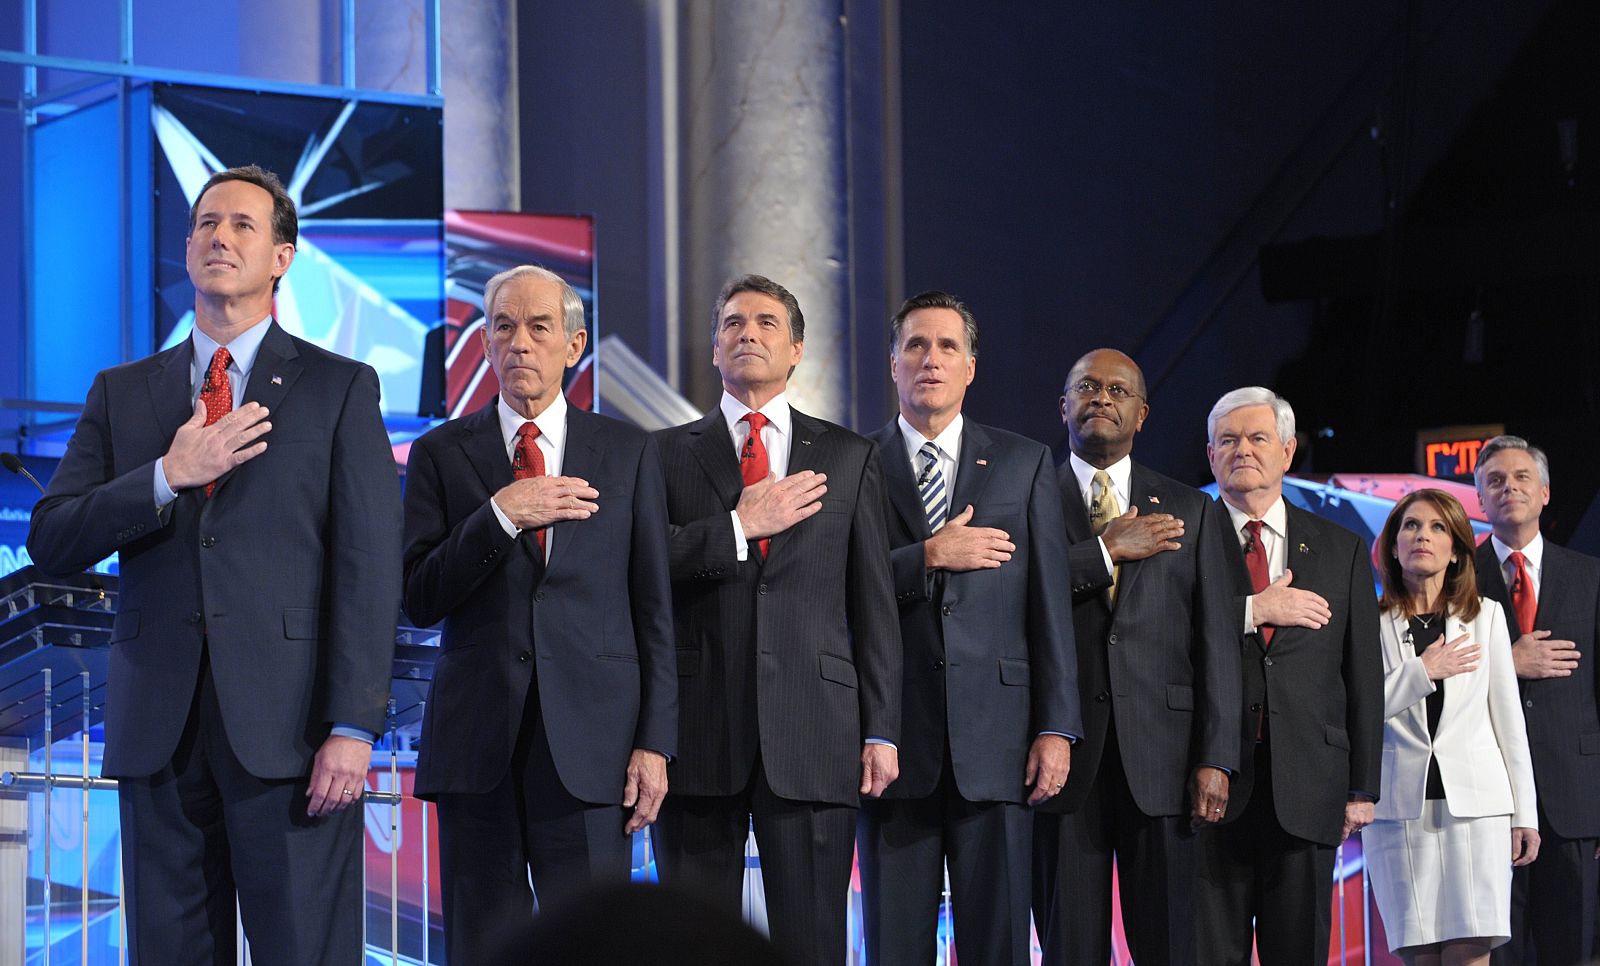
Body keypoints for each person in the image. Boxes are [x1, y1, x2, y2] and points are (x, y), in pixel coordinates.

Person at [27, 165, 401, 965]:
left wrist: (353, 724)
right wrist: (167, 475)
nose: (218, 238)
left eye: (241, 225)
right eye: (204, 224)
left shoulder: (338, 388)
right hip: (157, 730)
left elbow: (368, 566)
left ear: (281, 257)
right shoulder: (121, 392)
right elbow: (52, 536)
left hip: (295, 736)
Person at [400, 265, 676, 963]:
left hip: (593, 751)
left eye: (538, 327)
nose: (519, 342)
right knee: (482, 946)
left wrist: (655, 742)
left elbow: (653, 608)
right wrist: (498, 516)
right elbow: (420, 596)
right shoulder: (439, 454)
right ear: (486, 346)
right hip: (477, 749)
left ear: (574, 343)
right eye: (503, 327)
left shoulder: (628, 451)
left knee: (593, 946)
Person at [652, 274, 902, 966]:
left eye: (766, 323)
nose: (747, 334)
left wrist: (881, 728)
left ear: (795, 350)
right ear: (712, 348)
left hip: (817, 731)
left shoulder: (850, 457)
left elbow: (873, 604)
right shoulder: (663, 453)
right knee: (691, 942)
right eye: (732, 323)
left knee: (813, 942)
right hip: (697, 729)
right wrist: (737, 527)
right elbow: (645, 571)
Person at [856, 291, 1080, 966]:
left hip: (1001, 741)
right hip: (891, 744)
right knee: (895, 945)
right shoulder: (855, 464)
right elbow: (842, 588)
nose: (931, 359)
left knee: (1001, 943)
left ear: (971, 367)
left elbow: (1049, 605)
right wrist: (925, 556)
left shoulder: (1024, 462)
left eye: (947, 346)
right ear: (892, 363)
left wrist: (1056, 727)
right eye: (916, 346)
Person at [1032, 349, 1240, 966]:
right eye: (1087, 387)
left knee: (1171, 943)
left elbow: (1216, 642)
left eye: (1118, 390)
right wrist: (1103, 550)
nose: (1102, 398)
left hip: (1167, 760)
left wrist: (1218, 757)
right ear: (1063, 406)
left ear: (1142, 414)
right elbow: (1015, 596)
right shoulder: (1025, 494)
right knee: (1070, 944)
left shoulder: (1192, 509)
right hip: (1060, 756)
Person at [1193, 386, 1383, 965]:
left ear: (1288, 450)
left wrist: (1362, 786)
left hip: (1309, 784)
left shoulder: (1343, 548)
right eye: (1227, 440)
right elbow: (1163, 637)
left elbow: (1363, 673)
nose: (1242, 450)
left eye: (1257, 438)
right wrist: (1252, 611)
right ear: (1210, 456)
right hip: (1206, 785)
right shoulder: (1183, 539)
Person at [1365, 488, 1538, 964]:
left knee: (1470, 954)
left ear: (1459, 550)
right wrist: (1422, 671)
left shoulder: (1486, 617)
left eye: (1438, 527)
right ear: (1393, 546)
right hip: (1400, 813)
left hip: (1478, 812)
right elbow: (1355, 711)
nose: (1423, 536)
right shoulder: (1370, 622)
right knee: (1421, 955)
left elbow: (1509, 725)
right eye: (1411, 526)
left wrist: (1525, 814)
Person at [1474, 435, 1600, 966]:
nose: (1510, 488)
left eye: (1522, 477)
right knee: (1494, 953)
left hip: (1574, 801)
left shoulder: (1590, 576)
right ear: (1478, 499)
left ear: (1545, 492)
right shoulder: (1453, 578)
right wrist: (1507, 660)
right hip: (1486, 804)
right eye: (1495, 481)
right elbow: (1429, 680)